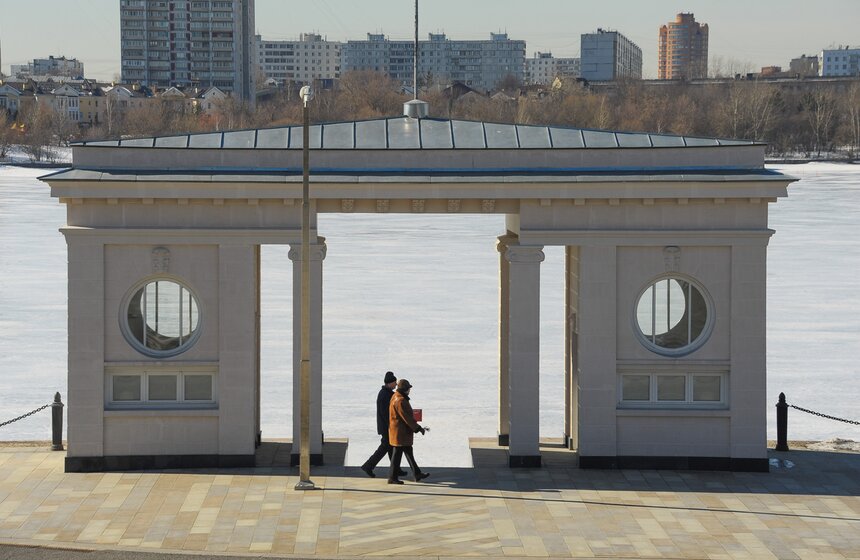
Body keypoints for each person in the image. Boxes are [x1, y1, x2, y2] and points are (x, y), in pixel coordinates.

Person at [360, 371, 407, 478]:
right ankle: (368, 466)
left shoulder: (387, 393)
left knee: (391, 448)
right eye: (394, 382)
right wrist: (391, 425)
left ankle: (396, 469)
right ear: (389, 383)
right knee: (386, 447)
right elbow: (385, 413)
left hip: (387, 426)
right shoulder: (385, 394)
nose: (396, 384)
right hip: (387, 427)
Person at [388, 378, 430, 484]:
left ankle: (417, 473)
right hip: (400, 433)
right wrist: (418, 428)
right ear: (405, 389)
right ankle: (392, 478)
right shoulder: (400, 400)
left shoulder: (396, 396)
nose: (410, 390)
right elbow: (407, 418)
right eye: (409, 388)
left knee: (408, 453)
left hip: (399, 432)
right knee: (397, 456)